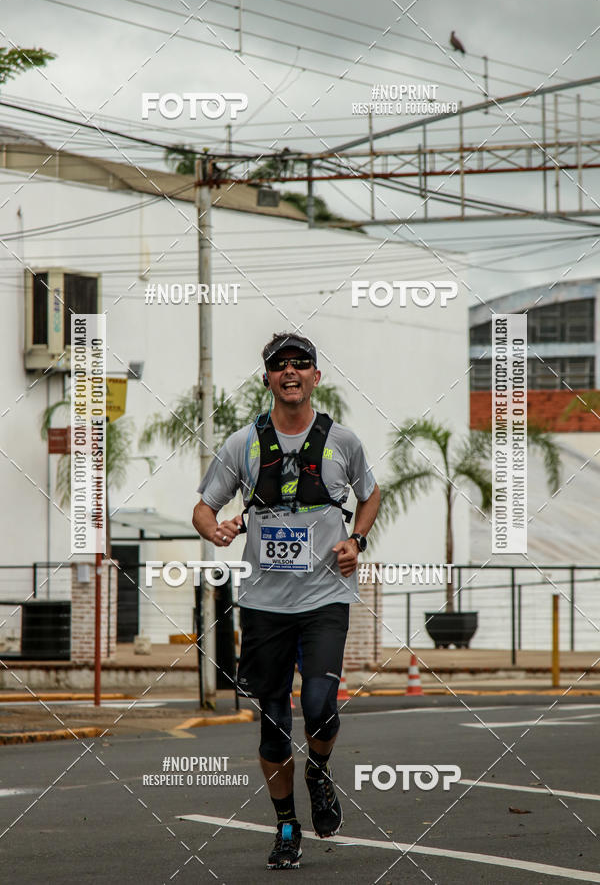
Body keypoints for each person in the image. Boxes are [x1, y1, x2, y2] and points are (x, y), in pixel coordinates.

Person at [192, 332, 380, 870]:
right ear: (268, 377)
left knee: (320, 709)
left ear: (316, 376)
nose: (290, 372)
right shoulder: (242, 445)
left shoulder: (343, 442)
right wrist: (218, 531)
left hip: (325, 599)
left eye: (301, 365)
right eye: (280, 365)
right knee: (273, 723)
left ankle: (319, 773)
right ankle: (286, 826)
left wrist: (356, 541)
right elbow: (203, 509)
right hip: (265, 606)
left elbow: (370, 497)